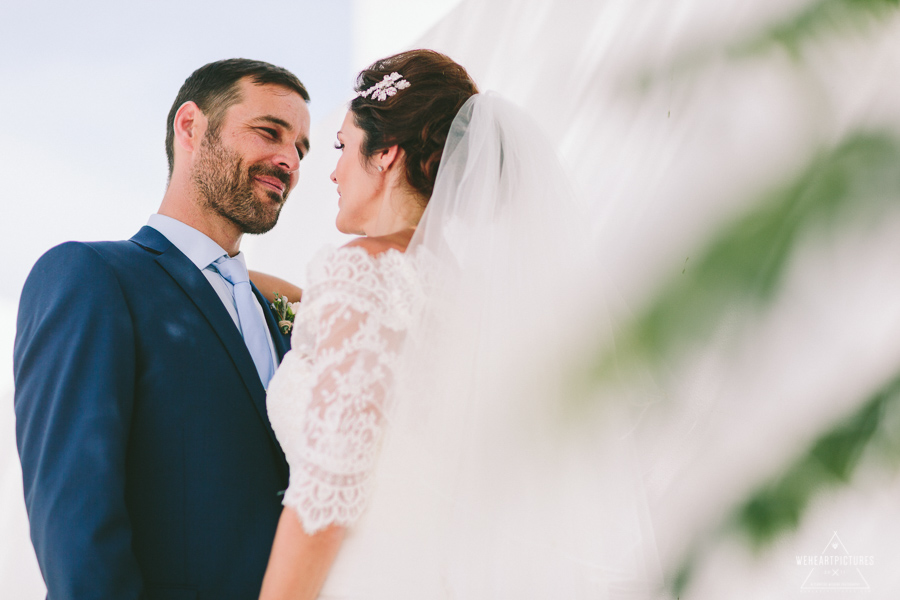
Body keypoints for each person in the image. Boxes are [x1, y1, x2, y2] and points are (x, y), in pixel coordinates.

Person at [259, 49, 659, 599]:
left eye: (341, 146)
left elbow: (327, 493)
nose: (331, 169)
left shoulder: (361, 271)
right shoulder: (461, 295)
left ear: (386, 156)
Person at [14, 58, 311, 599]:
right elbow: (75, 523)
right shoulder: (92, 277)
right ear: (191, 125)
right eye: (270, 132)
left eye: (301, 149)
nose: (289, 160)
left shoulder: (284, 316)